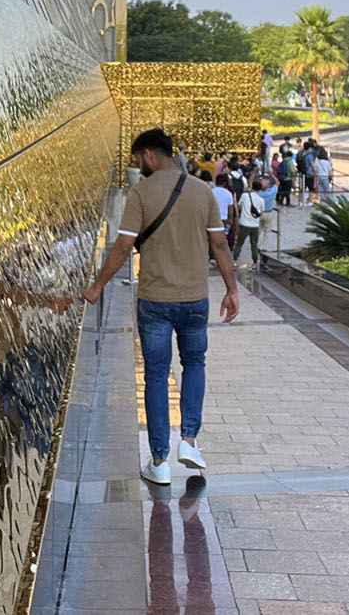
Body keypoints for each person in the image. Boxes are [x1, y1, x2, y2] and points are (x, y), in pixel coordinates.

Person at [82, 130, 239, 485]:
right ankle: (189, 441)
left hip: (155, 300)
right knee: (194, 363)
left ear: (150, 155)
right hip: (195, 298)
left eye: (138, 158)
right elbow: (220, 246)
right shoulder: (202, 191)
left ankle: (159, 461)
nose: (138, 165)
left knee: (156, 374)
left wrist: (96, 286)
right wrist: (232, 291)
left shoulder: (141, 193)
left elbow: (123, 248)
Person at [235, 177, 263, 267]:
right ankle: (255, 262)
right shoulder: (261, 200)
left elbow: (239, 206)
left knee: (239, 243)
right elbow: (261, 213)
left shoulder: (244, 196)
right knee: (254, 244)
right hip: (255, 225)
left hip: (244, 223)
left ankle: (234, 260)